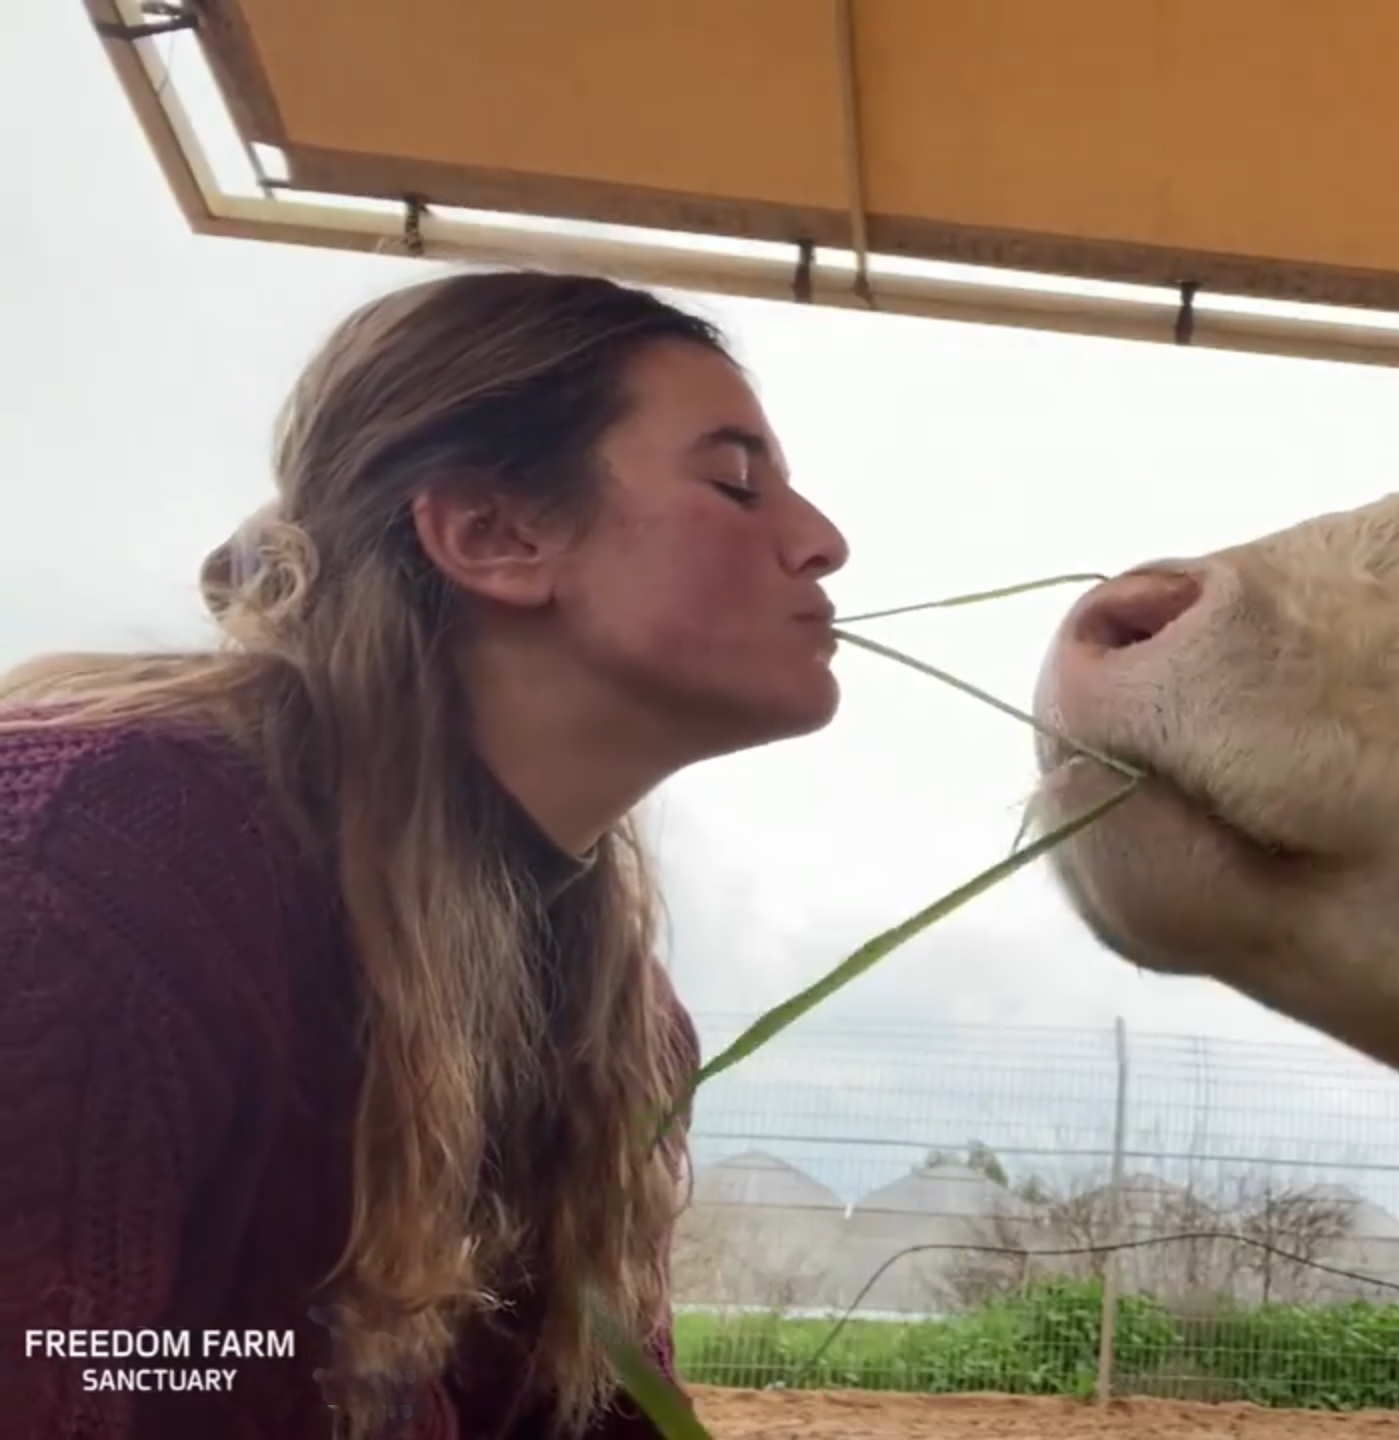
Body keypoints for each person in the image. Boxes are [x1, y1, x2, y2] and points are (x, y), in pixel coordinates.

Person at [0, 269, 850, 1438]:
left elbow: (579, 1412)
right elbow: (73, 1365)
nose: (822, 543)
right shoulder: (93, 855)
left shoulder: (615, 1018)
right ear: (492, 535)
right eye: (735, 482)